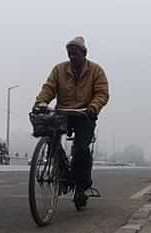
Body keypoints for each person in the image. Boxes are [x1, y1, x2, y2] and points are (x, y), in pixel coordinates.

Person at [33, 36, 109, 207]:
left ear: (84, 53)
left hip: (84, 114)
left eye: (75, 54)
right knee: (50, 135)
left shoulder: (96, 71)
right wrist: (40, 102)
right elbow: (49, 88)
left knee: (82, 148)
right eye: (69, 54)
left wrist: (93, 107)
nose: (72, 57)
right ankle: (60, 168)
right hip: (63, 113)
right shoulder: (59, 70)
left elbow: (102, 93)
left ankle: (81, 186)